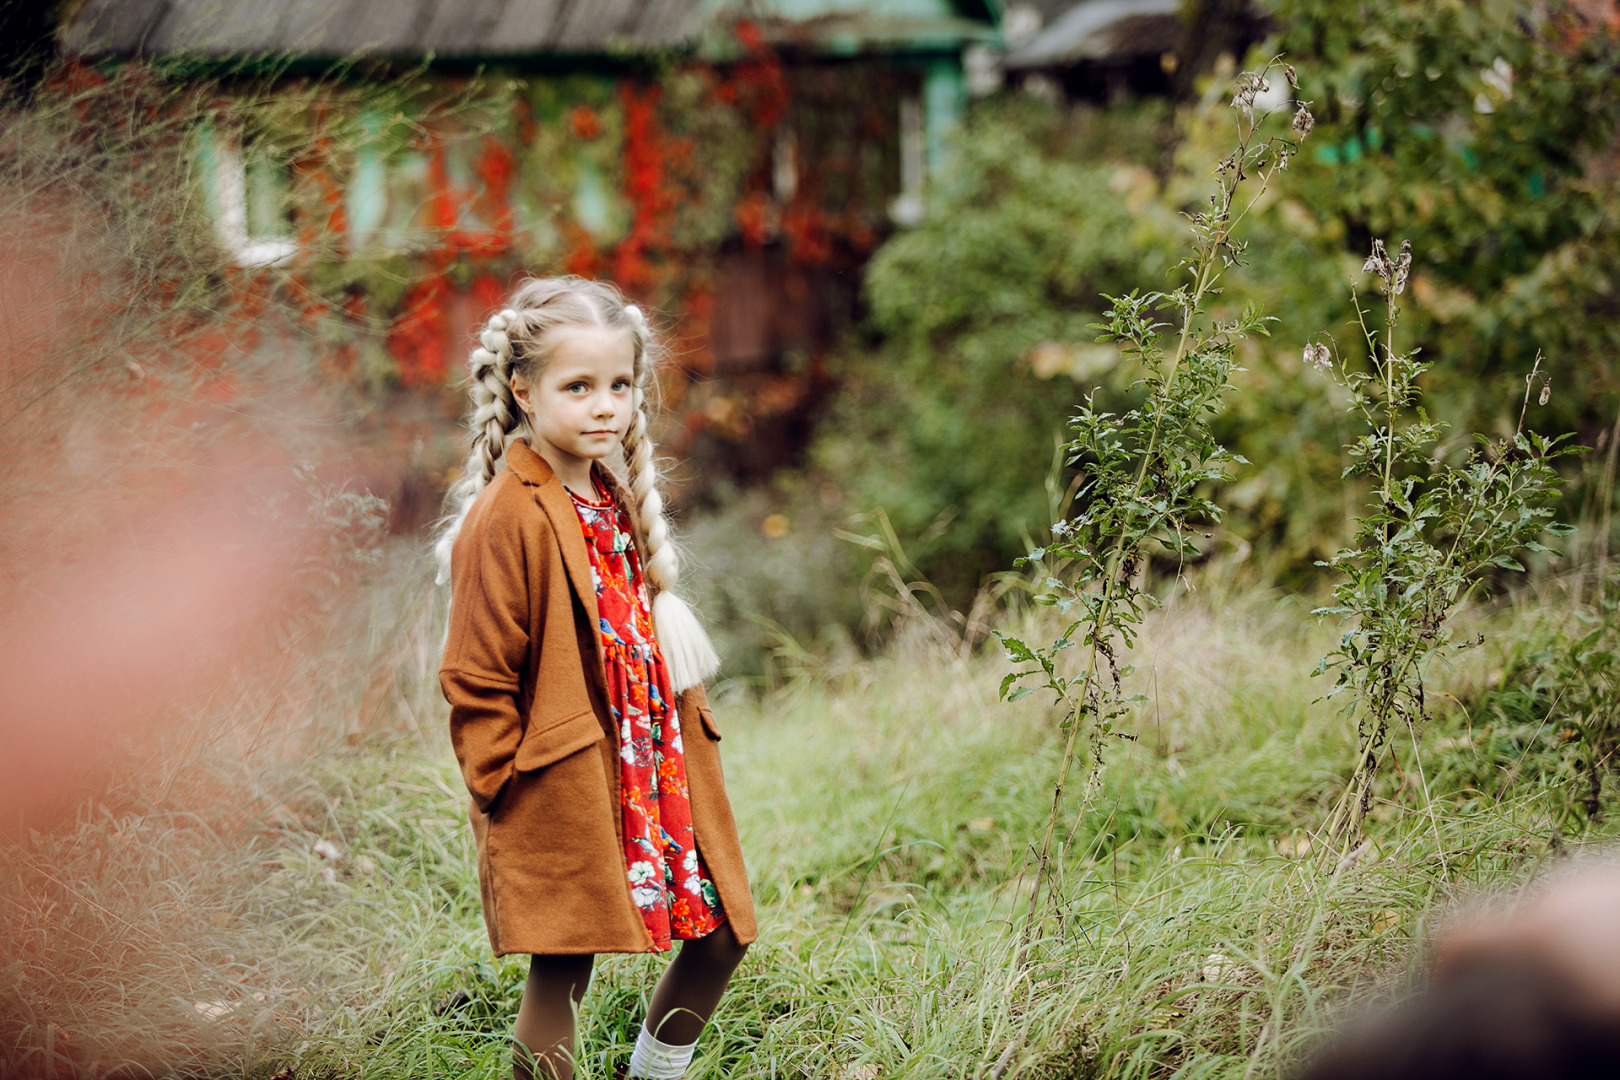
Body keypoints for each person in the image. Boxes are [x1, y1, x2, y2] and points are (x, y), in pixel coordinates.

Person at [435, 277, 755, 1080]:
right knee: (563, 972)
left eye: (618, 385)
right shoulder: (506, 515)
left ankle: (653, 1074)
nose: (603, 406)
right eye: (577, 387)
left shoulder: (608, 494)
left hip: (652, 761)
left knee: (721, 934)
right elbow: (475, 675)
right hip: (565, 775)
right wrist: (505, 782)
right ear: (523, 388)